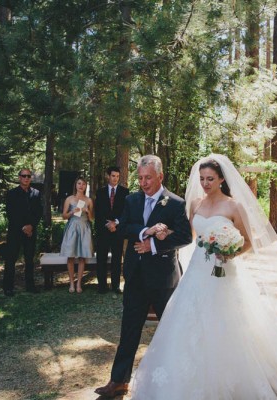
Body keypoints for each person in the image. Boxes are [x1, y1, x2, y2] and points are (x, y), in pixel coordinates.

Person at [128, 154, 277, 399]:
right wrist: (164, 232)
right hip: (197, 272)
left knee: (228, 323)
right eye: (202, 179)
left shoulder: (233, 206)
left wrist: (229, 253)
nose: (206, 183)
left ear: (221, 179)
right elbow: (189, 236)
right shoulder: (195, 204)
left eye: (210, 178)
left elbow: (248, 241)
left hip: (224, 274)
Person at [95, 155, 192, 398]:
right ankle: (118, 381)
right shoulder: (132, 200)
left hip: (163, 279)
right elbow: (123, 228)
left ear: (160, 176)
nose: (144, 182)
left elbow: (185, 237)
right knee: (129, 329)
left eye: (148, 177)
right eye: (140, 177)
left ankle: (180, 381)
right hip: (136, 276)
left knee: (170, 331)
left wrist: (155, 246)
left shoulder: (176, 203)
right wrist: (144, 231)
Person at [3, 168, 43, 296]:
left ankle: (30, 286)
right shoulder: (12, 194)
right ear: (19, 177)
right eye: (24, 176)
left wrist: (31, 226)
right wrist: (23, 227)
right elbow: (11, 213)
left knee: (30, 259)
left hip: (31, 232)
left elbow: (38, 212)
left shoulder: (36, 193)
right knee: (11, 260)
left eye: (28, 176)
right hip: (15, 231)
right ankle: (8, 287)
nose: (26, 178)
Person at [94, 166, 129, 294]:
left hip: (117, 230)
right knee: (101, 259)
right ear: (108, 176)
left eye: (117, 176)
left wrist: (116, 223)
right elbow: (97, 212)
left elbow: (126, 212)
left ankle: (115, 286)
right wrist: (107, 224)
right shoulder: (100, 192)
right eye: (113, 176)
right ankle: (102, 286)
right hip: (103, 230)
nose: (115, 179)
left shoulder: (125, 192)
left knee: (116, 259)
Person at [60, 177, 94, 294]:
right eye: (79, 183)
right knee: (70, 256)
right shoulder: (69, 199)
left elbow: (91, 219)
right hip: (72, 227)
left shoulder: (89, 200)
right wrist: (72, 212)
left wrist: (88, 211)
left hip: (84, 228)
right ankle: (71, 283)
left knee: (81, 257)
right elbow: (63, 216)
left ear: (86, 186)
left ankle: (79, 283)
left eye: (83, 184)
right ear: (76, 185)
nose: (81, 186)